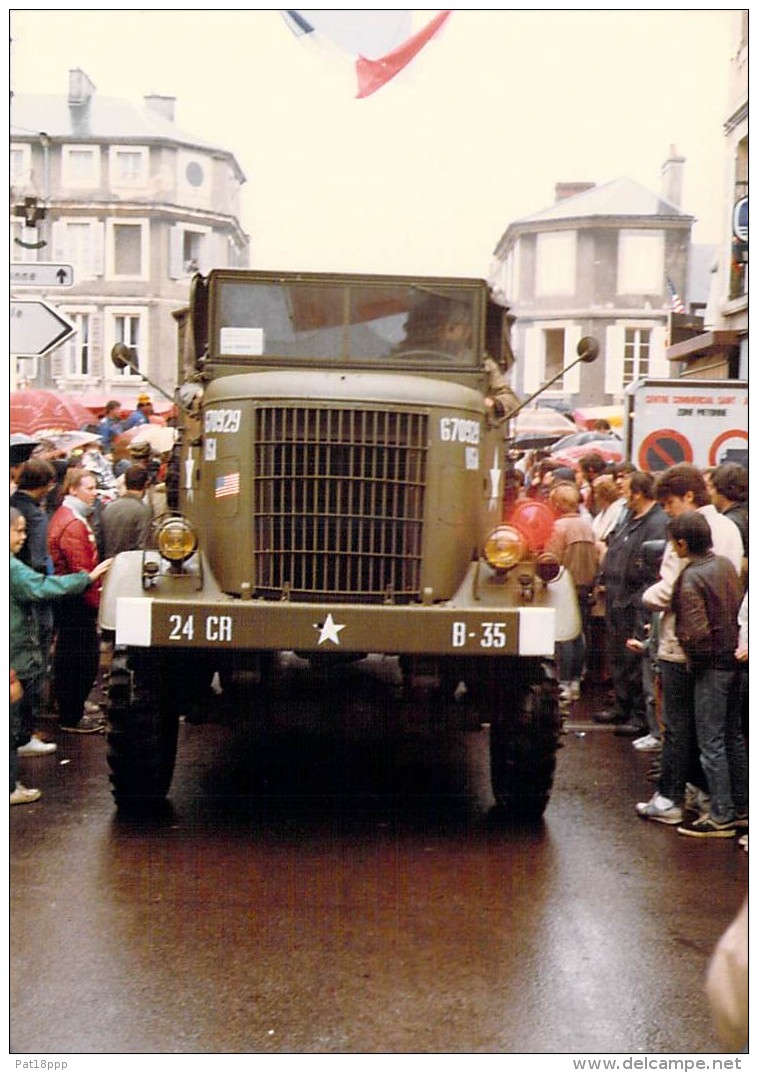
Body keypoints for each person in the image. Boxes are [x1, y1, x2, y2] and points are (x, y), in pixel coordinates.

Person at [636, 463, 743, 828]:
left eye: (669, 503)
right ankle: (723, 800)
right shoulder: (729, 527)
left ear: (688, 496)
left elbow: (668, 590)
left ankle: (672, 798)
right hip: (724, 645)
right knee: (719, 732)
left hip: (685, 645)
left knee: (678, 726)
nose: (666, 511)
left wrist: (647, 596)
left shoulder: (685, 536)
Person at [11, 508, 112, 800]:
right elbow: (41, 586)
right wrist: (87, 578)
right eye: (17, 531)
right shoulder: (12, 569)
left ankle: (21, 743)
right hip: (15, 655)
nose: (24, 536)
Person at [664, 512, 746, 837]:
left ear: (683, 544)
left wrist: (693, 660)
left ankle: (721, 815)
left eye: (674, 544)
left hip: (710, 667)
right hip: (734, 662)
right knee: (732, 736)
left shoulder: (690, 577)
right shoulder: (725, 565)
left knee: (710, 740)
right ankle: (741, 807)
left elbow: (695, 634)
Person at [593, 471, 668, 736]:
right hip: (616, 596)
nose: (623, 493)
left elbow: (653, 567)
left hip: (635, 601)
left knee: (634, 658)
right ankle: (622, 705)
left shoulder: (657, 522)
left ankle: (639, 716)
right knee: (617, 656)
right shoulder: (629, 518)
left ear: (638, 493)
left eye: (626, 489)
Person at [47, 469, 110, 733]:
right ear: (73, 489)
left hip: (70, 598)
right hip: (77, 601)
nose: (94, 493)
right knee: (81, 659)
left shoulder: (68, 517)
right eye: (89, 487)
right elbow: (81, 569)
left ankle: (69, 707)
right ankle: (72, 714)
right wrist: (97, 602)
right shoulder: (73, 523)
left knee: (70, 655)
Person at [10, 459, 59, 756]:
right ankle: (24, 735)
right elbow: (40, 563)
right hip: (31, 599)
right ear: (45, 485)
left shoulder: (12, 504)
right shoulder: (35, 518)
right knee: (32, 670)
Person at [545, 482, 599, 705]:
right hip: (585, 585)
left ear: (558, 504)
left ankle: (566, 682)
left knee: (565, 636)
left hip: (565, 585)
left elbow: (550, 559)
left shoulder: (558, 528)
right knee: (578, 635)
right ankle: (575, 680)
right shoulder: (587, 526)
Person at [101, 464, 153, 556]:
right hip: (130, 565)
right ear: (146, 484)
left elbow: (100, 540)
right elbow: (143, 546)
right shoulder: (143, 511)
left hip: (108, 565)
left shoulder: (109, 507)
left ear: (125, 483)